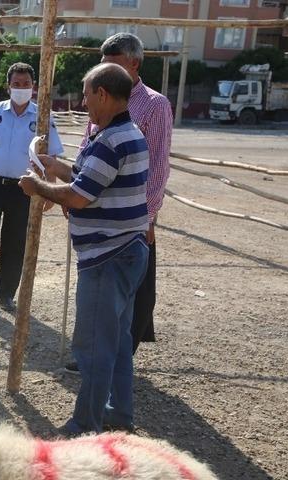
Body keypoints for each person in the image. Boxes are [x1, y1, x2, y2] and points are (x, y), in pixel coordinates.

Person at [19, 63, 150, 435]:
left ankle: (85, 422)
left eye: (87, 93)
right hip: (128, 250)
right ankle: (118, 412)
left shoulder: (109, 139)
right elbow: (90, 176)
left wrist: (38, 186)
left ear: (103, 95)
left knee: (93, 346)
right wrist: (57, 167)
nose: (83, 100)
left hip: (108, 257)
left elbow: (79, 196)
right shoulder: (126, 132)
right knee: (118, 342)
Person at [65, 33, 173, 374]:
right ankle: (94, 355)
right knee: (97, 290)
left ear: (134, 64)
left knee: (134, 296)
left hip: (131, 217)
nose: (105, 73)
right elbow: (87, 149)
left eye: (112, 66)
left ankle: (116, 360)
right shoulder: (101, 96)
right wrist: (75, 189)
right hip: (98, 212)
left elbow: (157, 166)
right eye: (102, 66)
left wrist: (148, 216)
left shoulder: (154, 105)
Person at [0, 62, 64, 312]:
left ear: (34, 87)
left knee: (15, 243)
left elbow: (52, 156)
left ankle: (6, 294)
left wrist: (51, 189)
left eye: (25, 84)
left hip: (24, 187)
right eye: (16, 84)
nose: (21, 88)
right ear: (8, 87)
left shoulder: (43, 117)